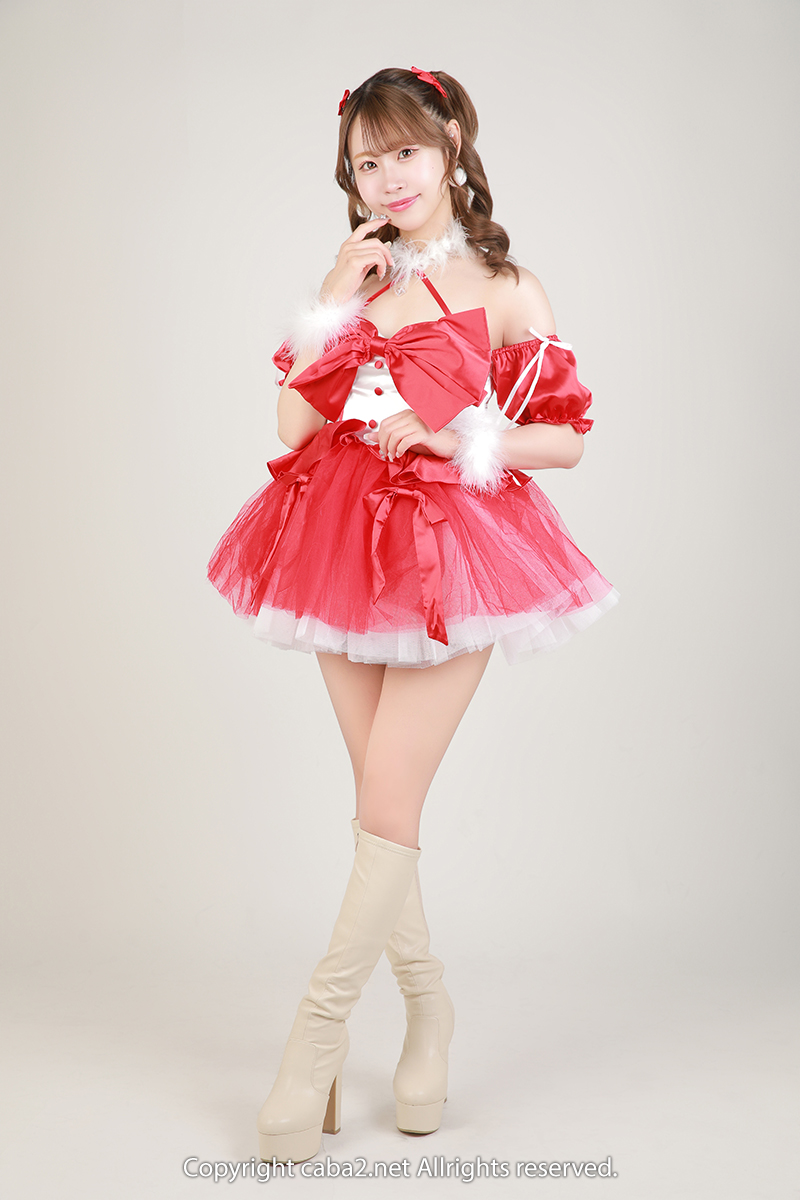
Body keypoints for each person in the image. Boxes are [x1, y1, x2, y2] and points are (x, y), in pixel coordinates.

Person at [207, 66, 618, 1163]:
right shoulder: (362, 277)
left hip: (448, 550)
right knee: (376, 805)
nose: (386, 178)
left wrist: (454, 436)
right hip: (336, 541)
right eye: (365, 163)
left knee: (388, 799)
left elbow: (566, 438)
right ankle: (429, 1010)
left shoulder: (508, 287)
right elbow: (292, 428)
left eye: (403, 153)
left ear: (449, 150)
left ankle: (314, 1043)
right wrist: (332, 297)